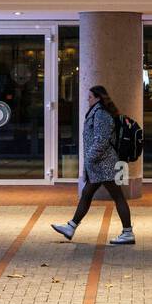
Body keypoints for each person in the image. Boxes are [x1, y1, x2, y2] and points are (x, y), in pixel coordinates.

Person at [52, 85, 134, 245]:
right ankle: (71, 226)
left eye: (90, 97)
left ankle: (128, 232)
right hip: (100, 164)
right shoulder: (97, 112)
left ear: (98, 98)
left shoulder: (101, 114)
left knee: (117, 196)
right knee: (87, 193)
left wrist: (89, 158)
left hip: (105, 164)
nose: (87, 99)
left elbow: (101, 140)